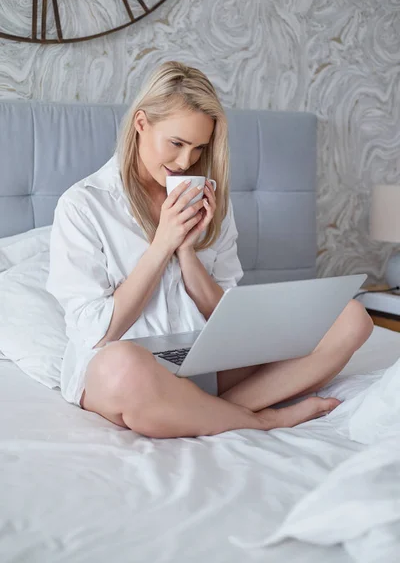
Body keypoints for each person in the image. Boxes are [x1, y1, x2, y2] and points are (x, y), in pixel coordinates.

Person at [47, 61, 373, 439]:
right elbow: (97, 334)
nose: (186, 162)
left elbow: (223, 314)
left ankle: (202, 410)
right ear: (141, 123)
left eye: (199, 147)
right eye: (177, 143)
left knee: (351, 317)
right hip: (130, 369)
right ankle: (260, 419)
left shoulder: (207, 198)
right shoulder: (84, 205)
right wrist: (162, 244)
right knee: (121, 364)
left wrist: (186, 254)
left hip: (203, 357)